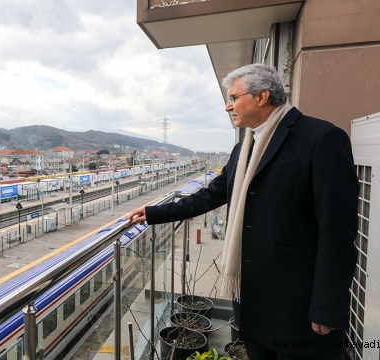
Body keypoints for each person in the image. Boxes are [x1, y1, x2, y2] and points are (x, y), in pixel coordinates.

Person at [124, 64, 358, 360]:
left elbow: (338, 230)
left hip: (298, 303)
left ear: (261, 97)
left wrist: (327, 305)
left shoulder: (321, 138)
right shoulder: (242, 149)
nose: (227, 106)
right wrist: (155, 212)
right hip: (253, 300)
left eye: (233, 98)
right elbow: (211, 195)